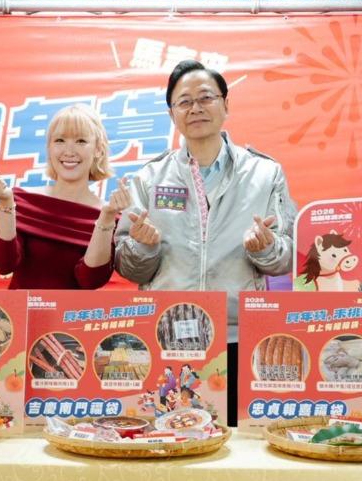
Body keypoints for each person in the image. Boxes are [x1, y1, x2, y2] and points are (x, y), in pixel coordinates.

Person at [114, 60, 297, 427]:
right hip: (166, 334)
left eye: (205, 98)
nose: (195, 108)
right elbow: (128, 266)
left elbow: (287, 256)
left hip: (236, 335)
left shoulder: (264, 173)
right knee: (167, 436)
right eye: (184, 102)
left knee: (236, 442)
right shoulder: (149, 178)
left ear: (226, 105)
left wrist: (265, 248)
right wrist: (144, 248)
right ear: (172, 114)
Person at [0, 103, 131, 289]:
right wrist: (5, 202)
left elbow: (90, 280)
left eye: (81, 141)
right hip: (20, 308)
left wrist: (106, 218)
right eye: (60, 140)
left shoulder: (110, 216)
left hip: (74, 310)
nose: (69, 151)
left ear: (98, 149)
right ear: (49, 148)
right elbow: (3, 264)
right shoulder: (22, 200)